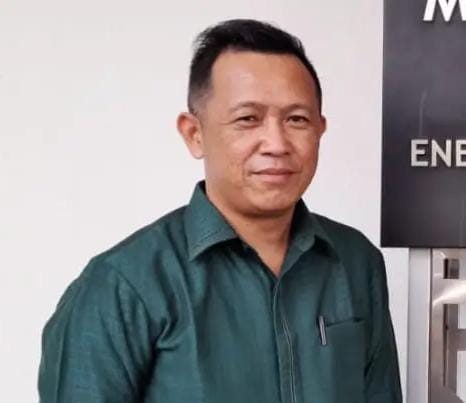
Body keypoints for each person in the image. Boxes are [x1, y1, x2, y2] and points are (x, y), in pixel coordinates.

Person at [38, 18, 403, 403]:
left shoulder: (355, 262)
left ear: (320, 130)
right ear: (194, 133)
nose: (276, 143)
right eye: (248, 119)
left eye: (296, 119)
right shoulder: (122, 286)